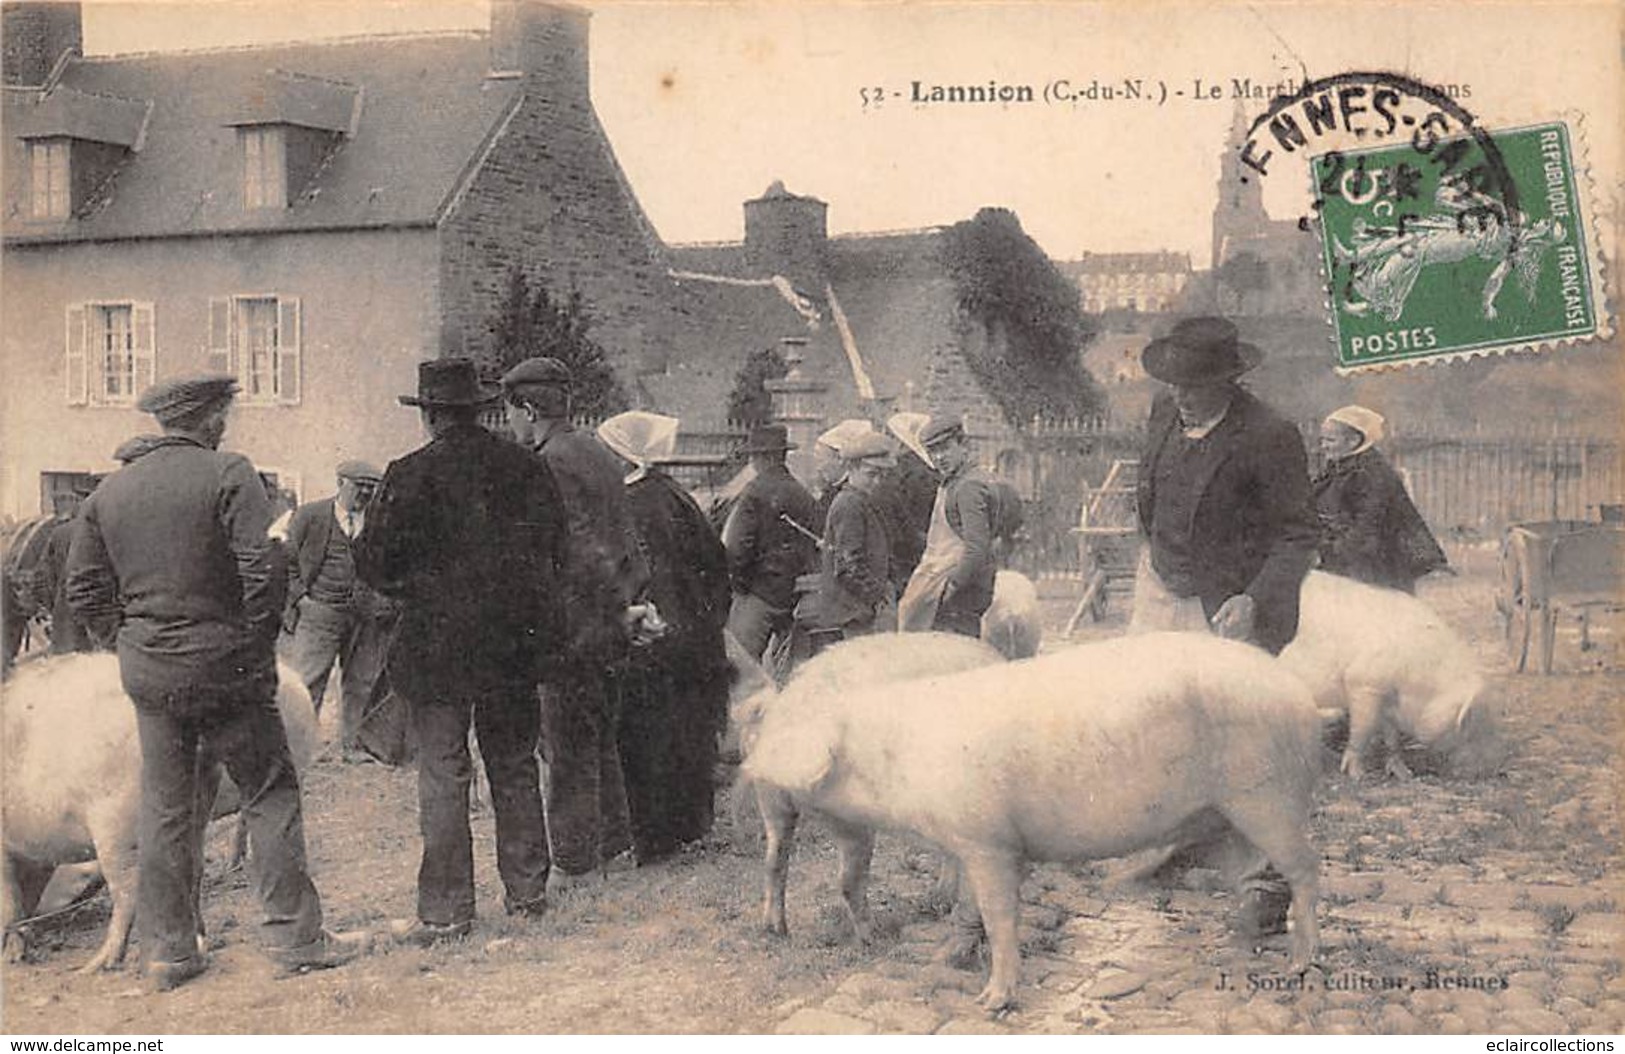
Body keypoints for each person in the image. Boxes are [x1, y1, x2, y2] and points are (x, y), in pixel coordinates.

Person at [64, 373, 364, 991]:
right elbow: (264, 568)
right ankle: (296, 938)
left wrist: (129, 643)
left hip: (151, 674)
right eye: (223, 414)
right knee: (269, 791)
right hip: (227, 667)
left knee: (166, 807)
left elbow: (84, 592)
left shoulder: (109, 493)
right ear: (210, 420)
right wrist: (250, 647)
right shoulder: (230, 472)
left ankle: (169, 954)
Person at [353, 359, 566, 945]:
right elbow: (555, 550)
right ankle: (528, 892)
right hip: (511, 646)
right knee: (514, 763)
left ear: (428, 415)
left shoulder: (408, 473)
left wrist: (417, 589)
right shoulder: (525, 467)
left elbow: (374, 564)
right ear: (479, 408)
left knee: (443, 772)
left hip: (437, 644)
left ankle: (447, 911)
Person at [1128, 315, 1318, 937]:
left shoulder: (1270, 435)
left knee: (1241, 738)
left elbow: (1298, 534)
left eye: (1195, 385)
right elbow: (1149, 493)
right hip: (1163, 585)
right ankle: (1183, 839)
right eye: (1174, 382)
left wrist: (1254, 598)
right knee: (1156, 717)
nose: (1181, 394)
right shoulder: (1163, 412)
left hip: (1229, 604)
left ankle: (1269, 881)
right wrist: (1158, 559)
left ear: (1229, 381)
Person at [500, 356, 649, 894]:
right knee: (600, 735)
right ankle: (616, 844)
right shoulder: (597, 452)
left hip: (572, 623)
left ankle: (577, 862)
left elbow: (580, 547)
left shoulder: (550, 462)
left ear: (529, 409)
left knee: (565, 745)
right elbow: (627, 541)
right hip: (610, 619)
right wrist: (628, 605)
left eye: (512, 412)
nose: (512, 425)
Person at [597, 411, 732, 864]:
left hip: (655, 639)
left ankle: (656, 838)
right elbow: (716, 565)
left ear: (621, 457)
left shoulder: (632, 505)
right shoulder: (675, 495)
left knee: (648, 737)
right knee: (687, 733)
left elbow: (639, 576)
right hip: (693, 634)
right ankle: (690, 824)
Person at [282, 460, 399, 760]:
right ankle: (298, 746)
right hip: (319, 613)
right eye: (358, 487)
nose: (364, 495)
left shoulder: (379, 522)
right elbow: (286, 562)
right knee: (308, 681)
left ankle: (353, 746)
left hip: (364, 617)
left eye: (370, 490)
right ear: (340, 483)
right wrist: (301, 599)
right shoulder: (311, 516)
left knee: (361, 681)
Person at [1313, 405, 1448, 593]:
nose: (1324, 446)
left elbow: (1368, 524)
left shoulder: (1371, 472)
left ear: (1353, 441)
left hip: (1375, 565)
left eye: (1330, 440)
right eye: (1323, 440)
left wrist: (1331, 553)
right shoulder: (1337, 468)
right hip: (1346, 558)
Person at [723, 423, 820, 663]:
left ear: (762, 457)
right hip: (793, 593)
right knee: (787, 666)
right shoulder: (802, 493)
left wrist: (738, 583)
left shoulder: (754, 493)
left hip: (757, 593)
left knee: (740, 666)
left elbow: (736, 549)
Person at [898, 417, 1000, 637]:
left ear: (964, 445)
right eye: (933, 452)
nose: (939, 458)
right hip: (953, 583)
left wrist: (952, 586)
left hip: (962, 590)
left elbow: (976, 548)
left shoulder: (968, 486)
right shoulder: (954, 481)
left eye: (945, 448)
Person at [813, 432, 898, 639]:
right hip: (855, 613)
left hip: (860, 609)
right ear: (851, 468)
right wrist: (877, 596)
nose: (877, 481)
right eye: (871, 474)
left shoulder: (861, 500)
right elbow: (848, 567)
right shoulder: (850, 504)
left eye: (882, 475)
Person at [880, 412, 940, 591]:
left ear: (900, 441)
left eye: (889, 436)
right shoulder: (928, 471)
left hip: (909, 557)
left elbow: (914, 524)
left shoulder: (911, 475)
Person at [809, 419, 875, 530]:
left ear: (840, 459)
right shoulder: (831, 492)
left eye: (821, 460)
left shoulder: (852, 496)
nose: (818, 468)